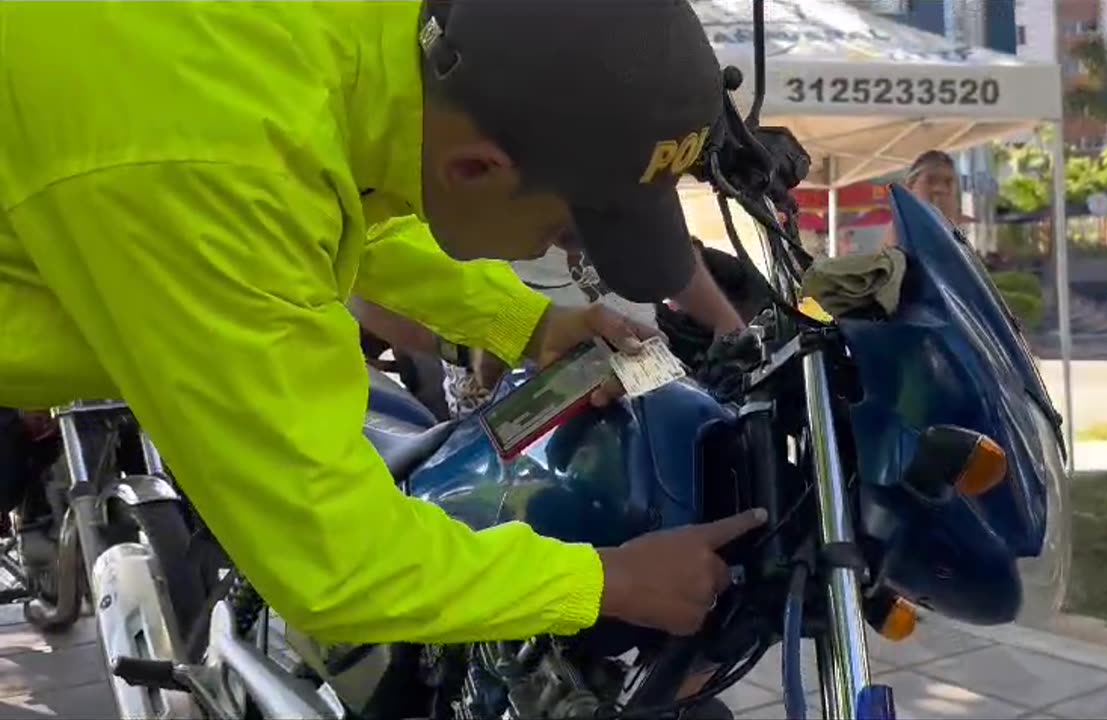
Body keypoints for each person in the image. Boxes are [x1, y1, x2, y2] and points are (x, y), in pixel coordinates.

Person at [0, 0, 767, 647]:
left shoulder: (373, 44)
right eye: (568, 234)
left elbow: (345, 191)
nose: (569, 257)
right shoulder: (206, 163)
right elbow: (333, 562)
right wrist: (606, 581)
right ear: (479, 169)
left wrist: (526, 321)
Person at [421, 233, 746, 417]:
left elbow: (659, 237)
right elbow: (386, 290)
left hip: (642, 373)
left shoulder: (630, 132)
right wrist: (519, 337)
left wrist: (730, 327)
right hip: (519, 407)